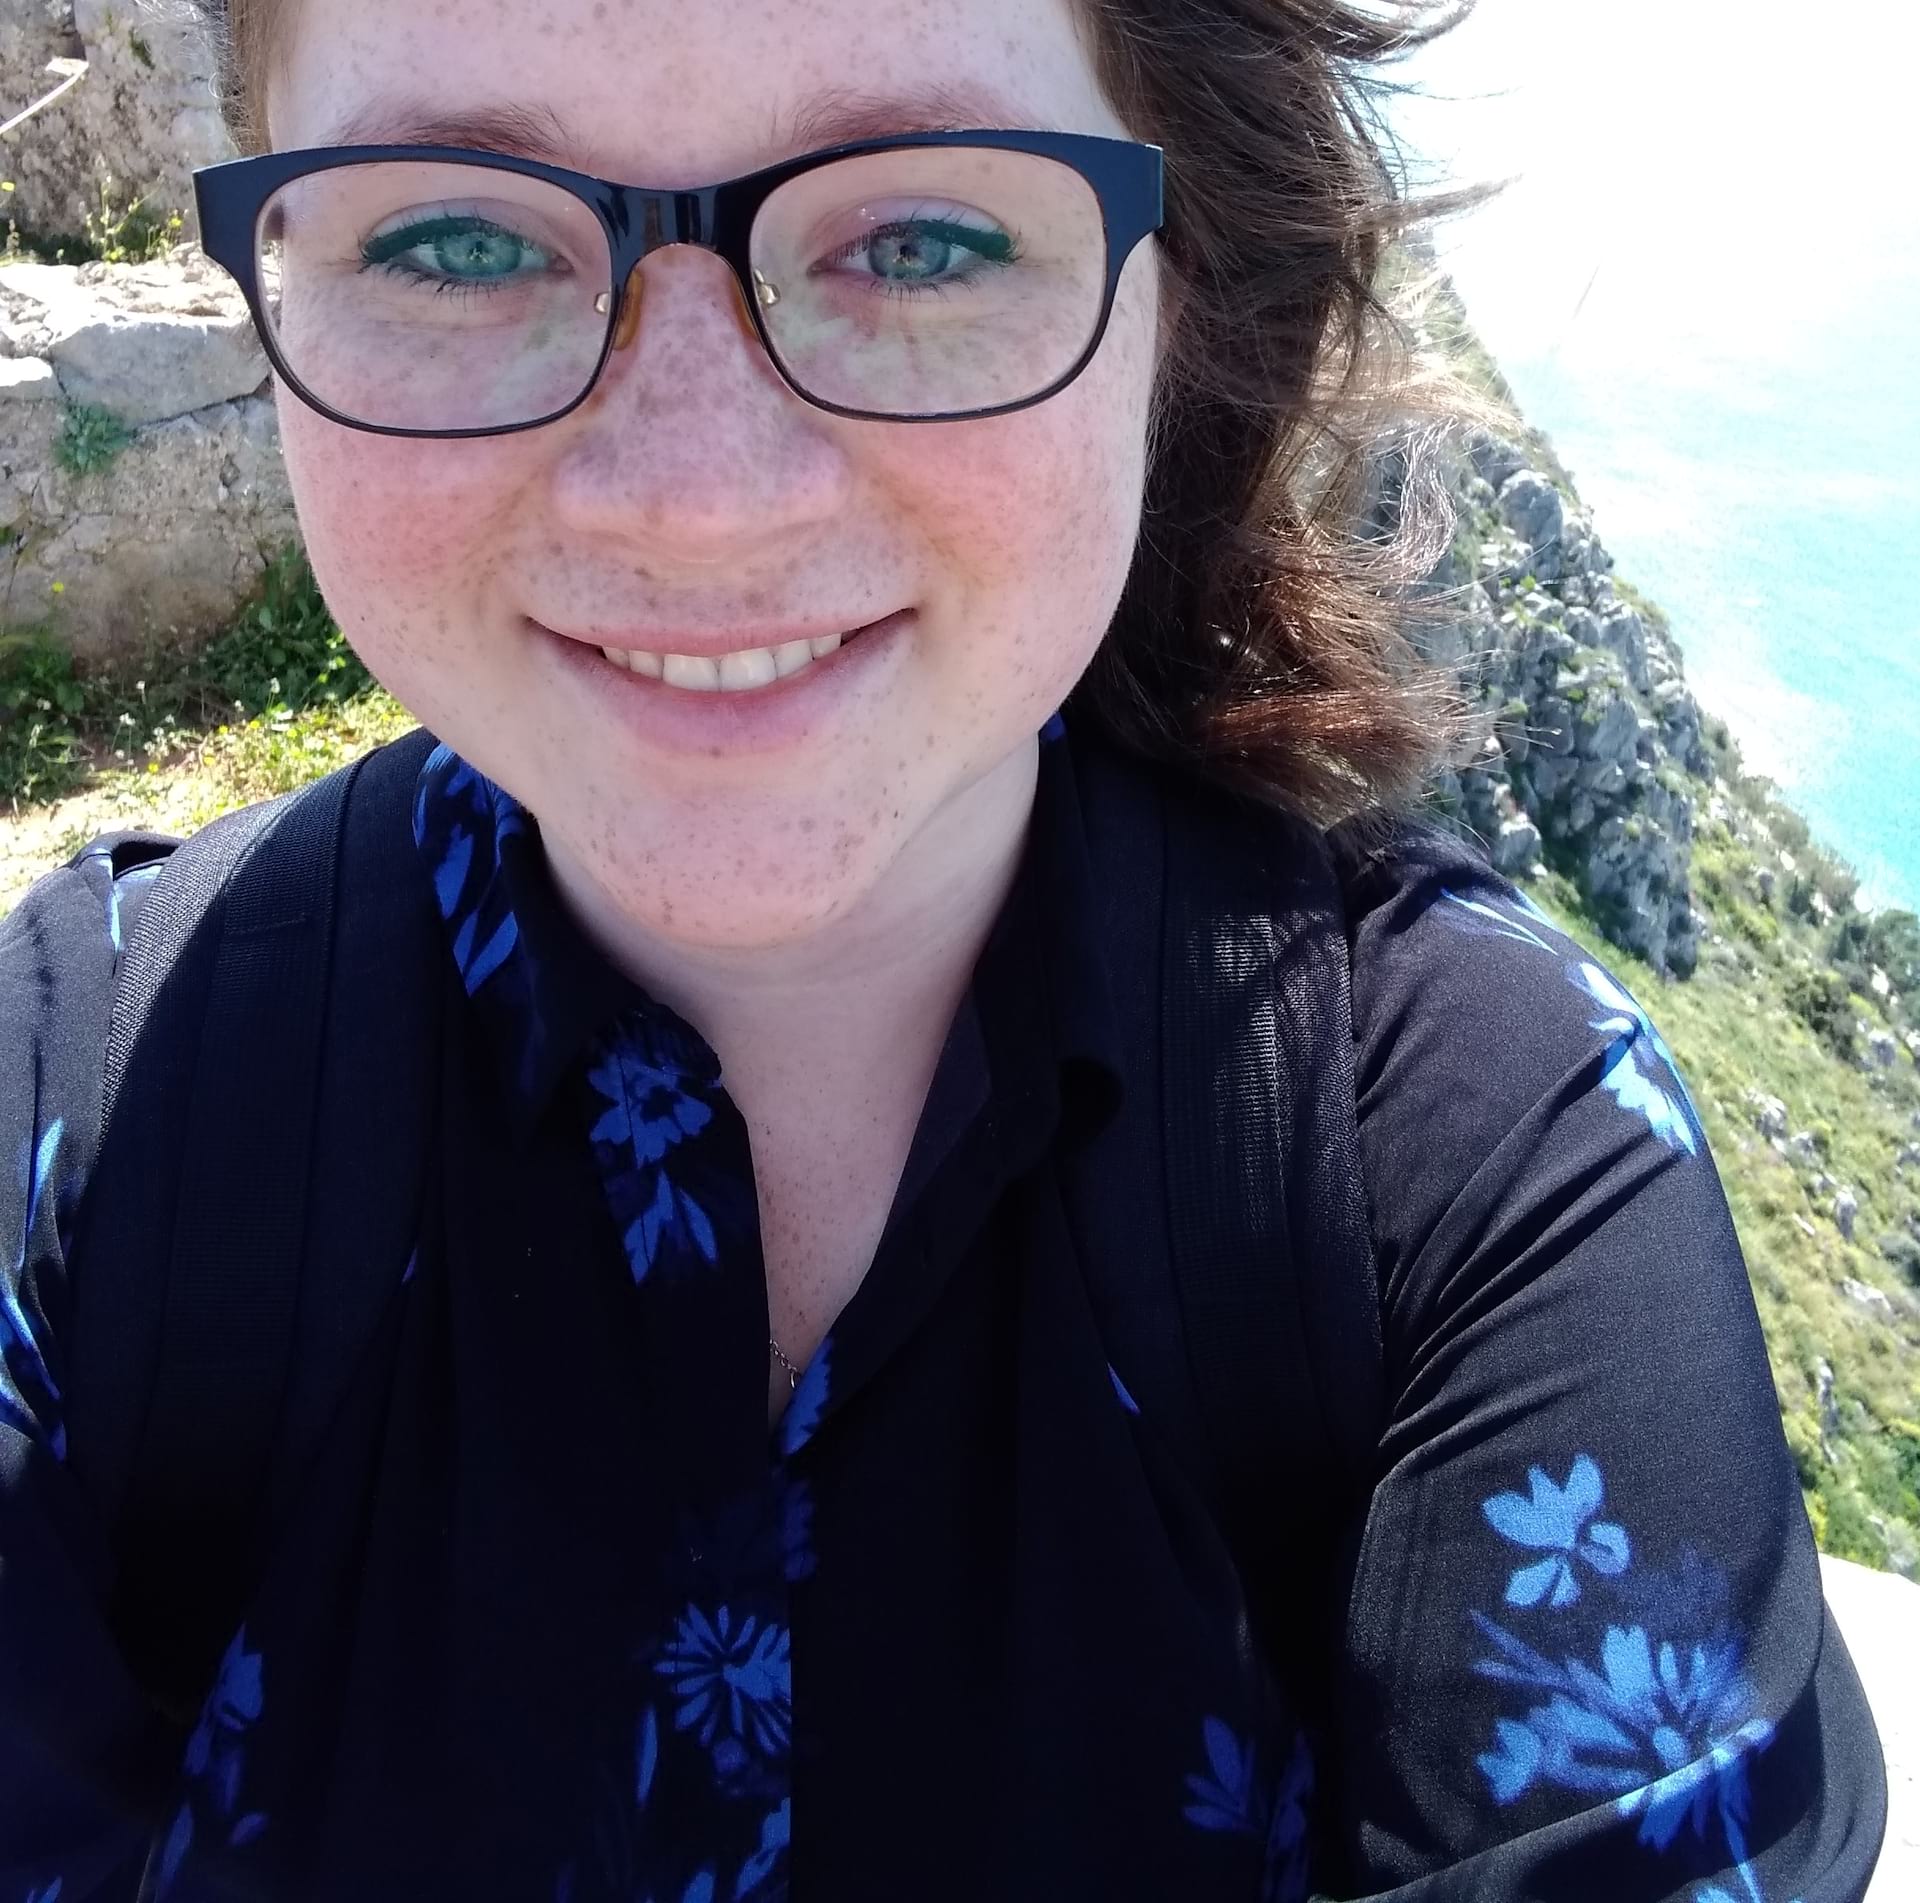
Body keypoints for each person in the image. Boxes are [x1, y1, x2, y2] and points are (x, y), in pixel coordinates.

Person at [0, 0, 1887, 1897]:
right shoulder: (71, 1110)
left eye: (919, 241)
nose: (699, 502)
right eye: (457, 238)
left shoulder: (1474, 1171)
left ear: (1175, 302)